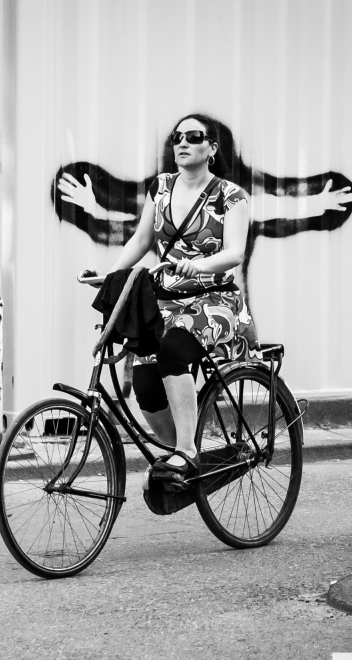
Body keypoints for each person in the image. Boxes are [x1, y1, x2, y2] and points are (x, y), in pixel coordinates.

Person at [82, 113, 261, 479]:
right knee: (146, 384)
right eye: (177, 137)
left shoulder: (231, 196)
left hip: (215, 301)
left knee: (172, 350)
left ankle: (187, 452)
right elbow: (141, 239)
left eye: (193, 137)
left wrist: (199, 265)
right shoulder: (161, 187)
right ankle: (182, 452)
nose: (182, 143)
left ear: (212, 148)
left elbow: (235, 252)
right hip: (166, 302)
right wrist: (112, 276)